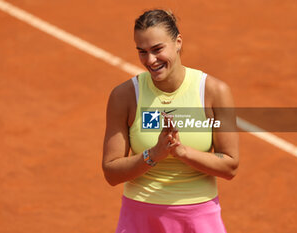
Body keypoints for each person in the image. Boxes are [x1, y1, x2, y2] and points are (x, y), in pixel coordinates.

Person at [102, 9, 239, 233]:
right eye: (142, 52)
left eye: (157, 49)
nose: (150, 60)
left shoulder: (213, 92)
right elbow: (111, 172)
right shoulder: (124, 96)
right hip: (140, 216)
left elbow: (230, 166)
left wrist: (182, 152)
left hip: (197, 217)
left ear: (177, 42)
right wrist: (153, 155)